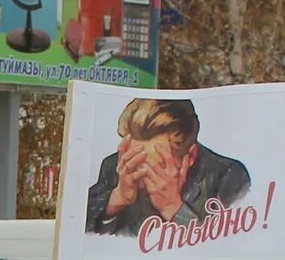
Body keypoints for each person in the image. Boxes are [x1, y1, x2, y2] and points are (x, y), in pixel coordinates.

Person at [82, 96, 252, 236]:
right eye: (135, 159)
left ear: (190, 157)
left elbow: (224, 249)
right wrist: (115, 201)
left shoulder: (229, 178)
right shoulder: (114, 167)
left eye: (155, 165)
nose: (140, 173)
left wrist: (173, 207)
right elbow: (77, 232)